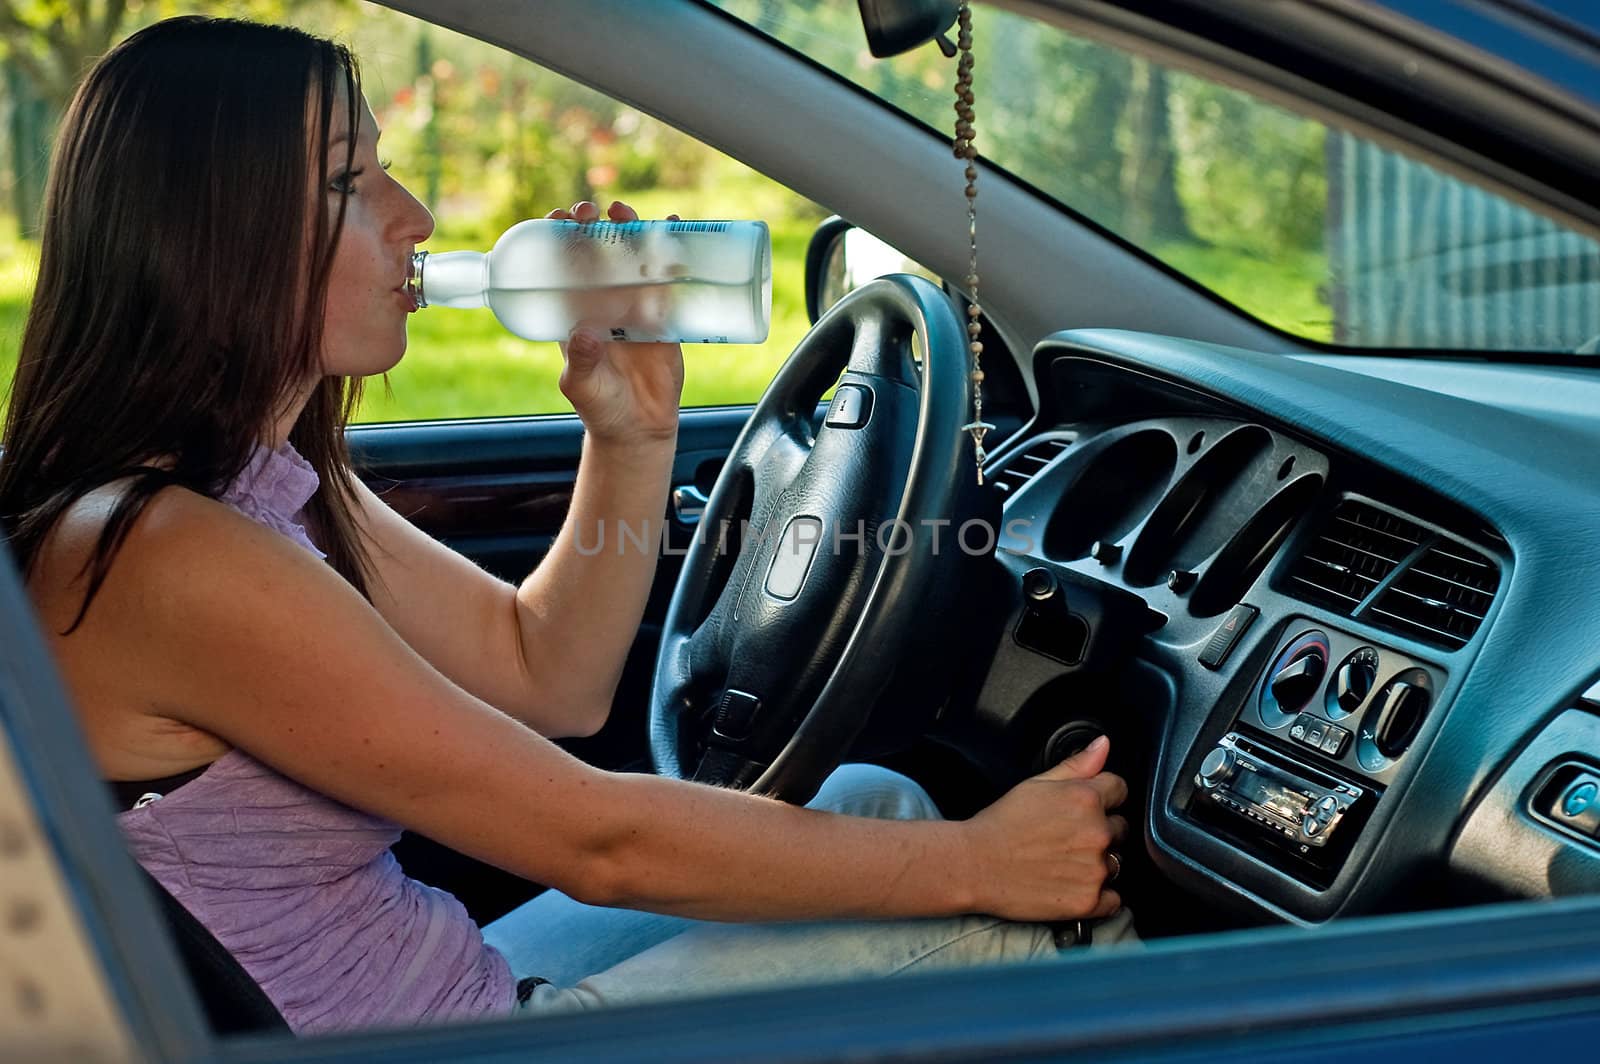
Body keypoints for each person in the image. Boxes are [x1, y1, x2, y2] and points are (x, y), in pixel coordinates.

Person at [0, 16, 1132, 1035]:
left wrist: (629, 437)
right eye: (353, 181)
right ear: (215, 236)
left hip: (434, 982)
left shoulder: (253, 490)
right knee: (1023, 931)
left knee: (871, 802)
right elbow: (597, 840)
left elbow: (551, 677)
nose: (417, 218)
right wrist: (987, 863)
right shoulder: (166, 554)